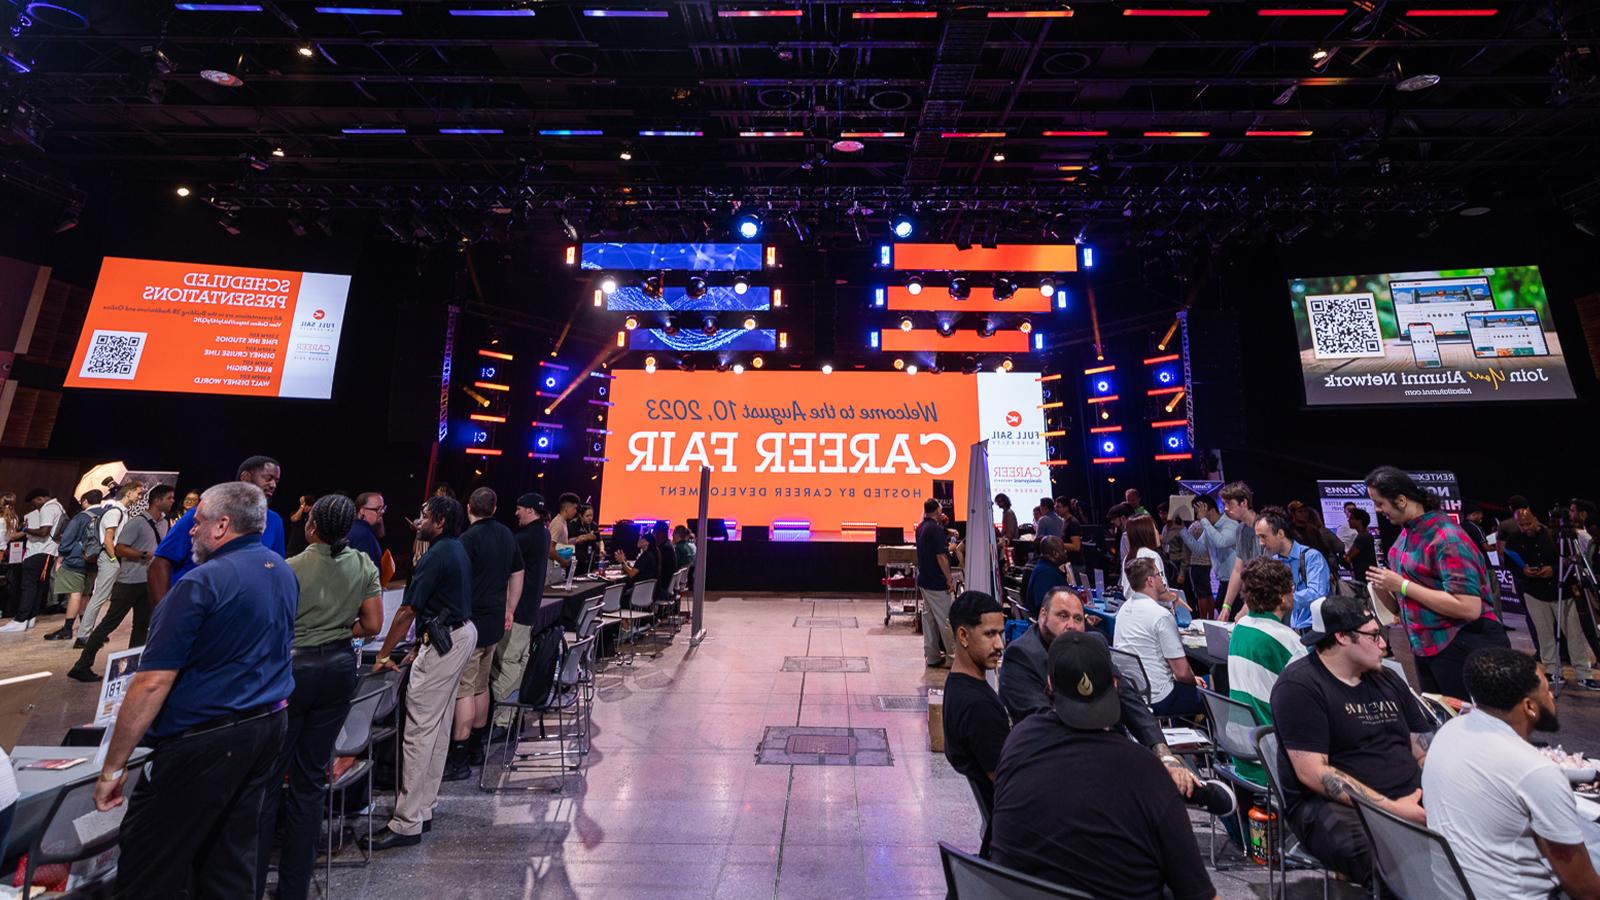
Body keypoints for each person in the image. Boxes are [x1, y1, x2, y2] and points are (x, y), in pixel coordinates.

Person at [92, 482, 295, 899]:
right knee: (228, 860)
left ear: (222, 525)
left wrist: (113, 768)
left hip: (206, 739)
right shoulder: (281, 569)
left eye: (198, 521)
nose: (190, 530)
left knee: (151, 863)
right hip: (267, 727)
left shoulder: (201, 583)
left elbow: (151, 682)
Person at [989, 631, 1219, 900]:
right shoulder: (1145, 771)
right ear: (1115, 684)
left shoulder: (1018, 740)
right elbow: (1199, 893)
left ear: (1050, 683)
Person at [257, 494, 382, 900]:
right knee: (311, 781)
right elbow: (374, 623)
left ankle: (253, 882)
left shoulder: (288, 568)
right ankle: (294, 888)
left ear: (311, 526)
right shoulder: (363, 564)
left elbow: (271, 624)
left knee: (270, 777)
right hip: (339, 669)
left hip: (293, 671)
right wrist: (341, 631)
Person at [1270, 595, 1433, 884]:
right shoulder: (1299, 687)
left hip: (1408, 794)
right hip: (1332, 806)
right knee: (1399, 868)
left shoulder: (1387, 679)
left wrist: (1435, 791)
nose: (1383, 644)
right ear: (1342, 637)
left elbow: (1422, 750)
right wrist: (1395, 810)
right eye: (1373, 635)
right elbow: (1314, 773)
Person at [1424, 648, 1600, 900]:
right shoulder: (1535, 771)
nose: (1552, 696)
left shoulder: (1448, 732)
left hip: (1453, 891)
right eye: (1547, 689)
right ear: (1530, 706)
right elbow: (1584, 890)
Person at [1000, 585, 1204, 799]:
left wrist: (1162, 753)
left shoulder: (1093, 645)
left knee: (1174, 782)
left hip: (1110, 754)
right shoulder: (1021, 656)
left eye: (1078, 619)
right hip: (1059, 767)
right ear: (1043, 615)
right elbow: (1044, 722)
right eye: (1062, 616)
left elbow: (1129, 700)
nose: (1071, 626)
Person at [363, 495, 475, 851]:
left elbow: (407, 610)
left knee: (419, 731)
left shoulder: (436, 554)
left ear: (440, 521)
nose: (419, 519)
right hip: (456, 634)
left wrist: (382, 653)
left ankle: (406, 821)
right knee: (438, 727)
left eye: (425, 514)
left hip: (446, 640)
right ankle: (423, 807)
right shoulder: (455, 549)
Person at [1364, 466, 1511, 698]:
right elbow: (1406, 601)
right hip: (1427, 648)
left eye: (1380, 503)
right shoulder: (1405, 537)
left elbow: (1468, 607)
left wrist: (1402, 585)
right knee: (1444, 723)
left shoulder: (1447, 538)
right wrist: (1384, 589)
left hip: (1464, 644)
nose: (1377, 509)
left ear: (1401, 500)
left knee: (1473, 727)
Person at [446, 488, 524, 781]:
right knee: (481, 684)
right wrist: (510, 609)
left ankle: (459, 758)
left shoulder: (467, 539)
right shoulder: (506, 534)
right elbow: (518, 573)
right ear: (494, 507)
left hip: (470, 622)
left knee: (465, 689)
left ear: (468, 508)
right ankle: (478, 748)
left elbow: (456, 580)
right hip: (493, 620)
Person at [68, 485, 176, 681]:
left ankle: (132, 668)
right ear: (157, 500)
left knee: (142, 625)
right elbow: (119, 548)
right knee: (110, 623)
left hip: (146, 581)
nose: (172, 501)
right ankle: (82, 664)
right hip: (129, 581)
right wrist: (144, 554)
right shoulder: (137, 523)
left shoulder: (163, 523)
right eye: (169, 498)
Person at [148, 455, 286, 605]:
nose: (273, 485)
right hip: (191, 611)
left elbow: (274, 568)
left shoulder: (274, 521)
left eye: (276, 481)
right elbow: (159, 564)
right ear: (245, 477)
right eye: (268, 478)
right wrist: (162, 616)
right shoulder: (202, 514)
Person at [939, 591, 1008, 857]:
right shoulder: (977, 707)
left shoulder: (958, 685)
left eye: (1000, 633)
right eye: (990, 634)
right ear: (963, 636)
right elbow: (1005, 783)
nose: (1000, 644)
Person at [1226, 557, 1306, 783]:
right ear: (1281, 597)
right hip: (1271, 760)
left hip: (1241, 752)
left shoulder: (1240, 627)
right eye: (1291, 589)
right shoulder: (1288, 641)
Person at [1114, 558, 1204, 717]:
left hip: (1132, 694)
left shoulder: (1124, 609)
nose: (1162, 579)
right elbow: (1182, 673)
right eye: (1159, 575)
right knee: (1210, 693)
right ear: (1150, 581)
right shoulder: (1161, 616)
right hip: (1160, 697)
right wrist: (1195, 681)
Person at [491, 493, 551, 726]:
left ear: (530, 510)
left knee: (506, 661)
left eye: (519, 508)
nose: (515, 513)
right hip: (529, 611)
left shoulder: (525, 537)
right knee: (520, 660)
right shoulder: (544, 533)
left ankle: (503, 720)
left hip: (516, 611)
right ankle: (514, 714)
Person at [75, 480, 141, 640]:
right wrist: (113, 559)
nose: (140, 497)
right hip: (110, 556)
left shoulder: (122, 511)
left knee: (104, 597)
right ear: (129, 492)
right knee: (99, 597)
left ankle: (93, 633)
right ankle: (83, 636)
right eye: (138, 493)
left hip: (114, 557)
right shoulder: (115, 511)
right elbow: (108, 539)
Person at [1252, 506, 1330, 631]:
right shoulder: (1274, 561)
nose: (1261, 543)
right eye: (1258, 538)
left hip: (1317, 629)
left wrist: (1280, 599)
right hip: (1291, 628)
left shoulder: (1312, 557)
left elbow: (1317, 593)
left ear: (1280, 534)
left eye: (1264, 537)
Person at [0, 488, 65, 633]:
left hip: (39, 552)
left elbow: (43, 532)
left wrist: (26, 529)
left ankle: (20, 620)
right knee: (37, 586)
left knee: (28, 586)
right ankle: (30, 617)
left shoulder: (48, 509)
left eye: (34, 502)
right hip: (45, 552)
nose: (34, 506)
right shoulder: (58, 507)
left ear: (40, 499)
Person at [41, 490, 100, 641]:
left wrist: (60, 559)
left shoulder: (81, 517)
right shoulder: (107, 515)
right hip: (95, 561)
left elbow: (67, 540)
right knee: (86, 594)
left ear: (85, 501)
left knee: (74, 593)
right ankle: (86, 629)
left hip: (76, 560)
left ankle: (67, 630)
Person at [915, 498, 956, 668]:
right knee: (946, 619)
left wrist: (946, 531)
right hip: (937, 582)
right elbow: (941, 557)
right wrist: (949, 579)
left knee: (929, 619)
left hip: (924, 580)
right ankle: (953, 657)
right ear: (938, 511)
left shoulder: (921, 528)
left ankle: (931, 655)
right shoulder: (936, 530)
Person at [1217, 481, 1261, 620]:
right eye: (1224, 504)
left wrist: (1248, 606)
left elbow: (1267, 574)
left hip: (1268, 597)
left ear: (1244, 503)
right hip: (1252, 596)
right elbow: (1238, 569)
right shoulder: (1241, 529)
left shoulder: (1264, 527)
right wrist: (1226, 606)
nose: (1225, 508)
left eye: (1230, 504)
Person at [1185, 494, 1238, 607]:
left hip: (1236, 582)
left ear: (1209, 510)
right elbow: (1198, 549)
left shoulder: (1230, 524)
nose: (1198, 517)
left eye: (1198, 512)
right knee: (1219, 607)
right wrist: (1181, 530)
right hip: (1224, 582)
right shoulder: (1210, 527)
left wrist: (1204, 520)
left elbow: (1221, 542)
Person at [1119, 514, 1168, 600]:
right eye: (1154, 528)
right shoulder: (1151, 556)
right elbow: (1161, 591)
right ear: (1146, 533)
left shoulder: (1128, 558)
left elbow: (1126, 592)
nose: (1157, 532)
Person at [1023, 536, 1069, 620]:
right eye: (1063, 550)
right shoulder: (1046, 573)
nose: (1066, 552)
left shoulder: (1043, 567)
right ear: (1055, 554)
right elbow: (1045, 605)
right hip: (1051, 626)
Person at [547, 492, 579, 584]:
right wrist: (563, 561)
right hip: (552, 570)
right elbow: (549, 548)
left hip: (558, 568)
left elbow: (560, 545)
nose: (575, 511)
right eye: (574, 508)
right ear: (566, 508)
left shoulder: (563, 522)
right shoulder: (558, 523)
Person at [349, 491, 386, 571]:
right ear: (362, 511)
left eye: (383, 508)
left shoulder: (352, 527)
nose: (382, 512)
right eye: (377, 509)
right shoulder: (363, 535)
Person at [1342, 506, 1377, 585]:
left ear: (1359, 521)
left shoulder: (1363, 537)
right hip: (1367, 575)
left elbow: (1348, 557)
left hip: (1364, 577)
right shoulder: (1366, 535)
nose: (1349, 520)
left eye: (1352, 518)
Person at [570, 504, 602, 574]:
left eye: (591, 515)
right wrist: (586, 537)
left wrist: (602, 549)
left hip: (590, 559)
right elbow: (569, 541)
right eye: (587, 516)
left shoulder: (594, 525)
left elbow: (600, 540)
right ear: (581, 516)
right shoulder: (573, 524)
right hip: (577, 560)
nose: (590, 518)